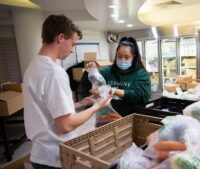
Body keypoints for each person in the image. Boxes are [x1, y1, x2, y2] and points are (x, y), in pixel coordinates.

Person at [23, 14, 112, 169]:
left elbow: (46, 108)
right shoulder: (54, 72)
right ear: (60, 37)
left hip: (40, 154)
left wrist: (80, 104)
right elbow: (65, 125)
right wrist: (97, 106)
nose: (72, 50)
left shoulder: (32, 67)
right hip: (55, 156)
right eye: (73, 44)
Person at [80, 36, 151, 116]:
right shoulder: (107, 71)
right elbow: (88, 85)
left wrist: (113, 91)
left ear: (133, 57)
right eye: (119, 56)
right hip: (108, 118)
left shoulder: (141, 74)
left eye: (127, 57)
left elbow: (140, 95)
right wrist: (90, 71)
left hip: (130, 118)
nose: (122, 60)